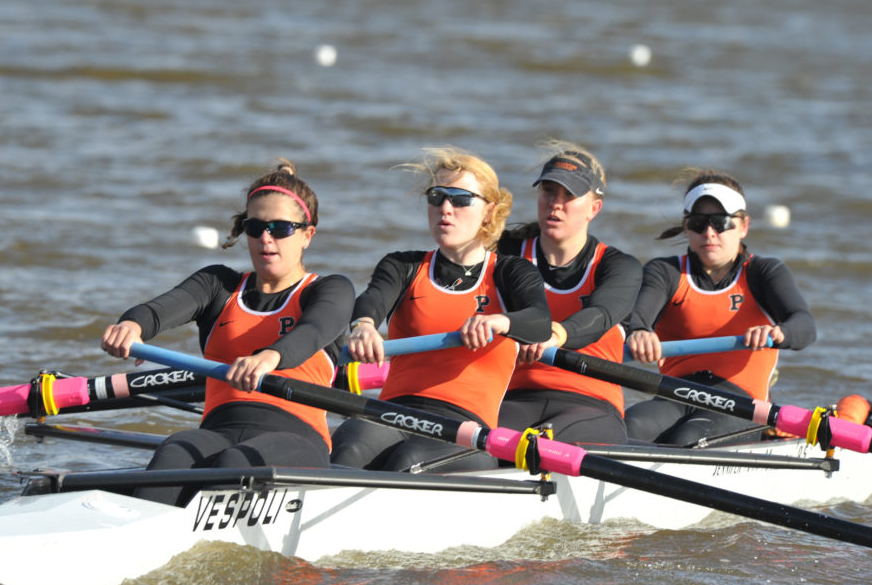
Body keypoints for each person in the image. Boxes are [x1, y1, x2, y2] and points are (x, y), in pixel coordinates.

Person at [101, 160, 355, 505]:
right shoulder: (218, 285)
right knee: (173, 451)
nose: (266, 238)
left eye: (281, 229)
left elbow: (313, 331)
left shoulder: (329, 290)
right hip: (218, 429)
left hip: (297, 438)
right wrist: (131, 325)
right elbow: (155, 311)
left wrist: (270, 357)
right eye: (255, 227)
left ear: (307, 234)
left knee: (235, 464)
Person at [330, 147, 553, 472]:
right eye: (436, 196)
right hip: (392, 412)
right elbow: (372, 300)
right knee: (348, 443)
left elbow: (539, 323)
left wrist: (499, 322)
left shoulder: (511, 273)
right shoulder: (402, 266)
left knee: (407, 463)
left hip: (466, 428)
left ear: (489, 211)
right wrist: (363, 326)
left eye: (460, 199)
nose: (445, 208)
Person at [623, 170, 816, 445]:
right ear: (686, 226)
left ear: (743, 226)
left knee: (687, 439)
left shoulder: (763, 272)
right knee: (627, 427)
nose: (709, 233)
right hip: (675, 394)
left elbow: (805, 326)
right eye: (698, 223)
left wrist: (777, 333)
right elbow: (634, 319)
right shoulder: (664, 272)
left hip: (741, 403)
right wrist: (639, 331)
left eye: (721, 222)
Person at [496, 144, 641, 445]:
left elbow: (600, 316)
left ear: (594, 208)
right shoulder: (503, 253)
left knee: (534, 444)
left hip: (590, 405)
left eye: (569, 196)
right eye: (549, 191)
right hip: (513, 399)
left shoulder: (618, 267)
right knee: (465, 443)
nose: (555, 204)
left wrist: (555, 335)